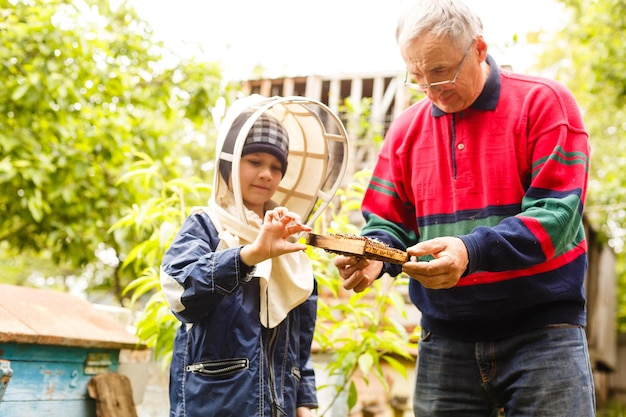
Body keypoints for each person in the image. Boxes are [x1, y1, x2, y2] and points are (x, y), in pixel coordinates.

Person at [333, 1, 595, 416]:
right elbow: (388, 221)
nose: (430, 89)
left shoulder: (544, 103)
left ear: (478, 48)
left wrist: (470, 251)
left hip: (543, 335)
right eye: (416, 75)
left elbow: (556, 216)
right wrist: (376, 258)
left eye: (440, 71)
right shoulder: (406, 129)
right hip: (445, 340)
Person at [160, 95, 349, 417]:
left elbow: (299, 339)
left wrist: (304, 402)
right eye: (255, 161)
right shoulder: (207, 225)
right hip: (215, 404)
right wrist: (249, 255)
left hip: (280, 407)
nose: (266, 174)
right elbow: (180, 293)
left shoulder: (285, 240)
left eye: (276, 167)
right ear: (230, 164)